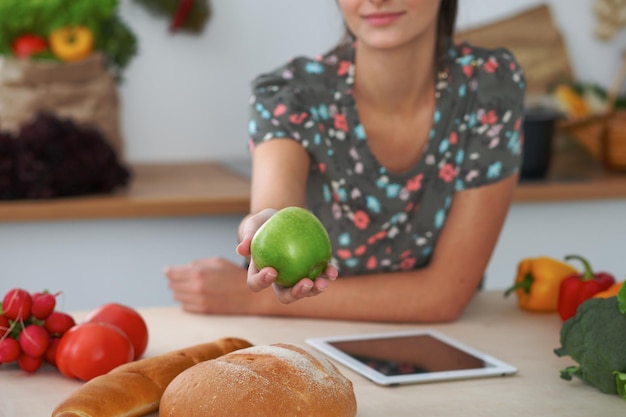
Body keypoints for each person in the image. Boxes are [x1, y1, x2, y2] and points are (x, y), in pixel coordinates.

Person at [165, 0, 526, 323]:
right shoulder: (291, 94)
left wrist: (252, 302)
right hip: (312, 338)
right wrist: (263, 226)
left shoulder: (489, 87)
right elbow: (275, 209)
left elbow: (444, 297)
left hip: (446, 347)